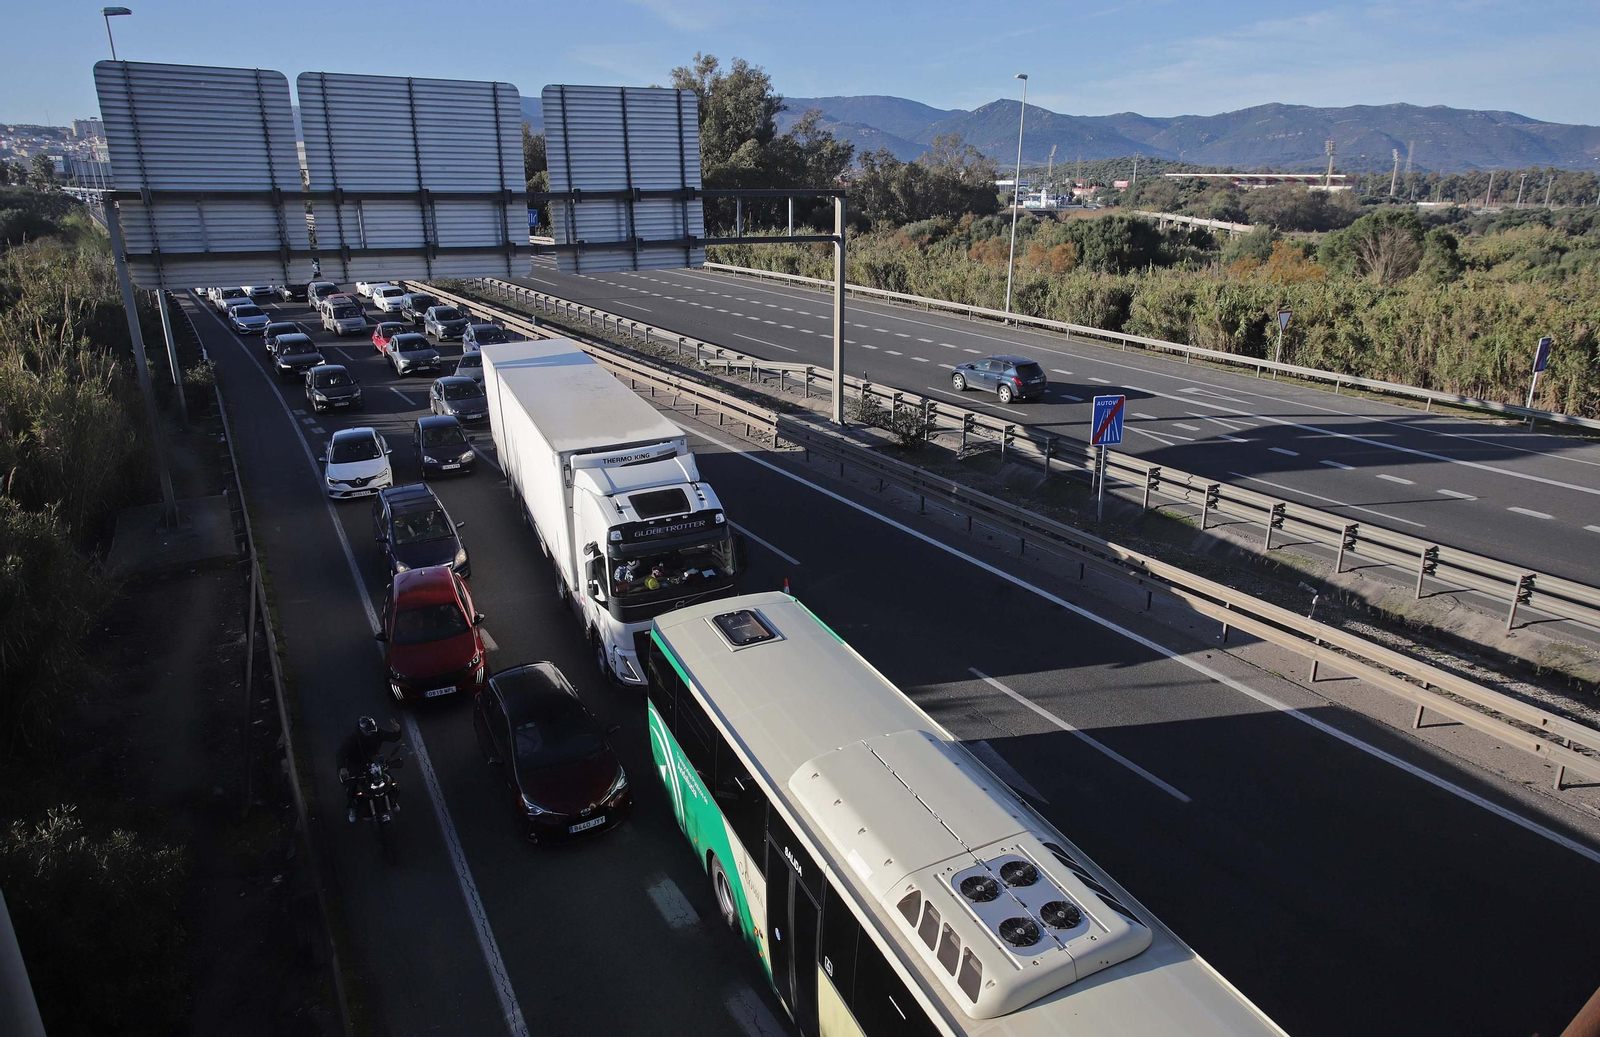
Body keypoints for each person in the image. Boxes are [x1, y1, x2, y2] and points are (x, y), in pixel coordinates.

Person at [338, 716, 402, 822]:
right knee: (352, 786)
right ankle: (352, 807)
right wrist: (342, 767)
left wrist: (397, 731)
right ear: (361, 729)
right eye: (368, 731)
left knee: (390, 780)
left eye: (372, 730)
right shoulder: (352, 739)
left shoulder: (378, 732)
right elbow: (341, 753)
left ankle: (393, 801)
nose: (370, 733)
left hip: (374, 761)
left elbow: (393, 738)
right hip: (356, 763)